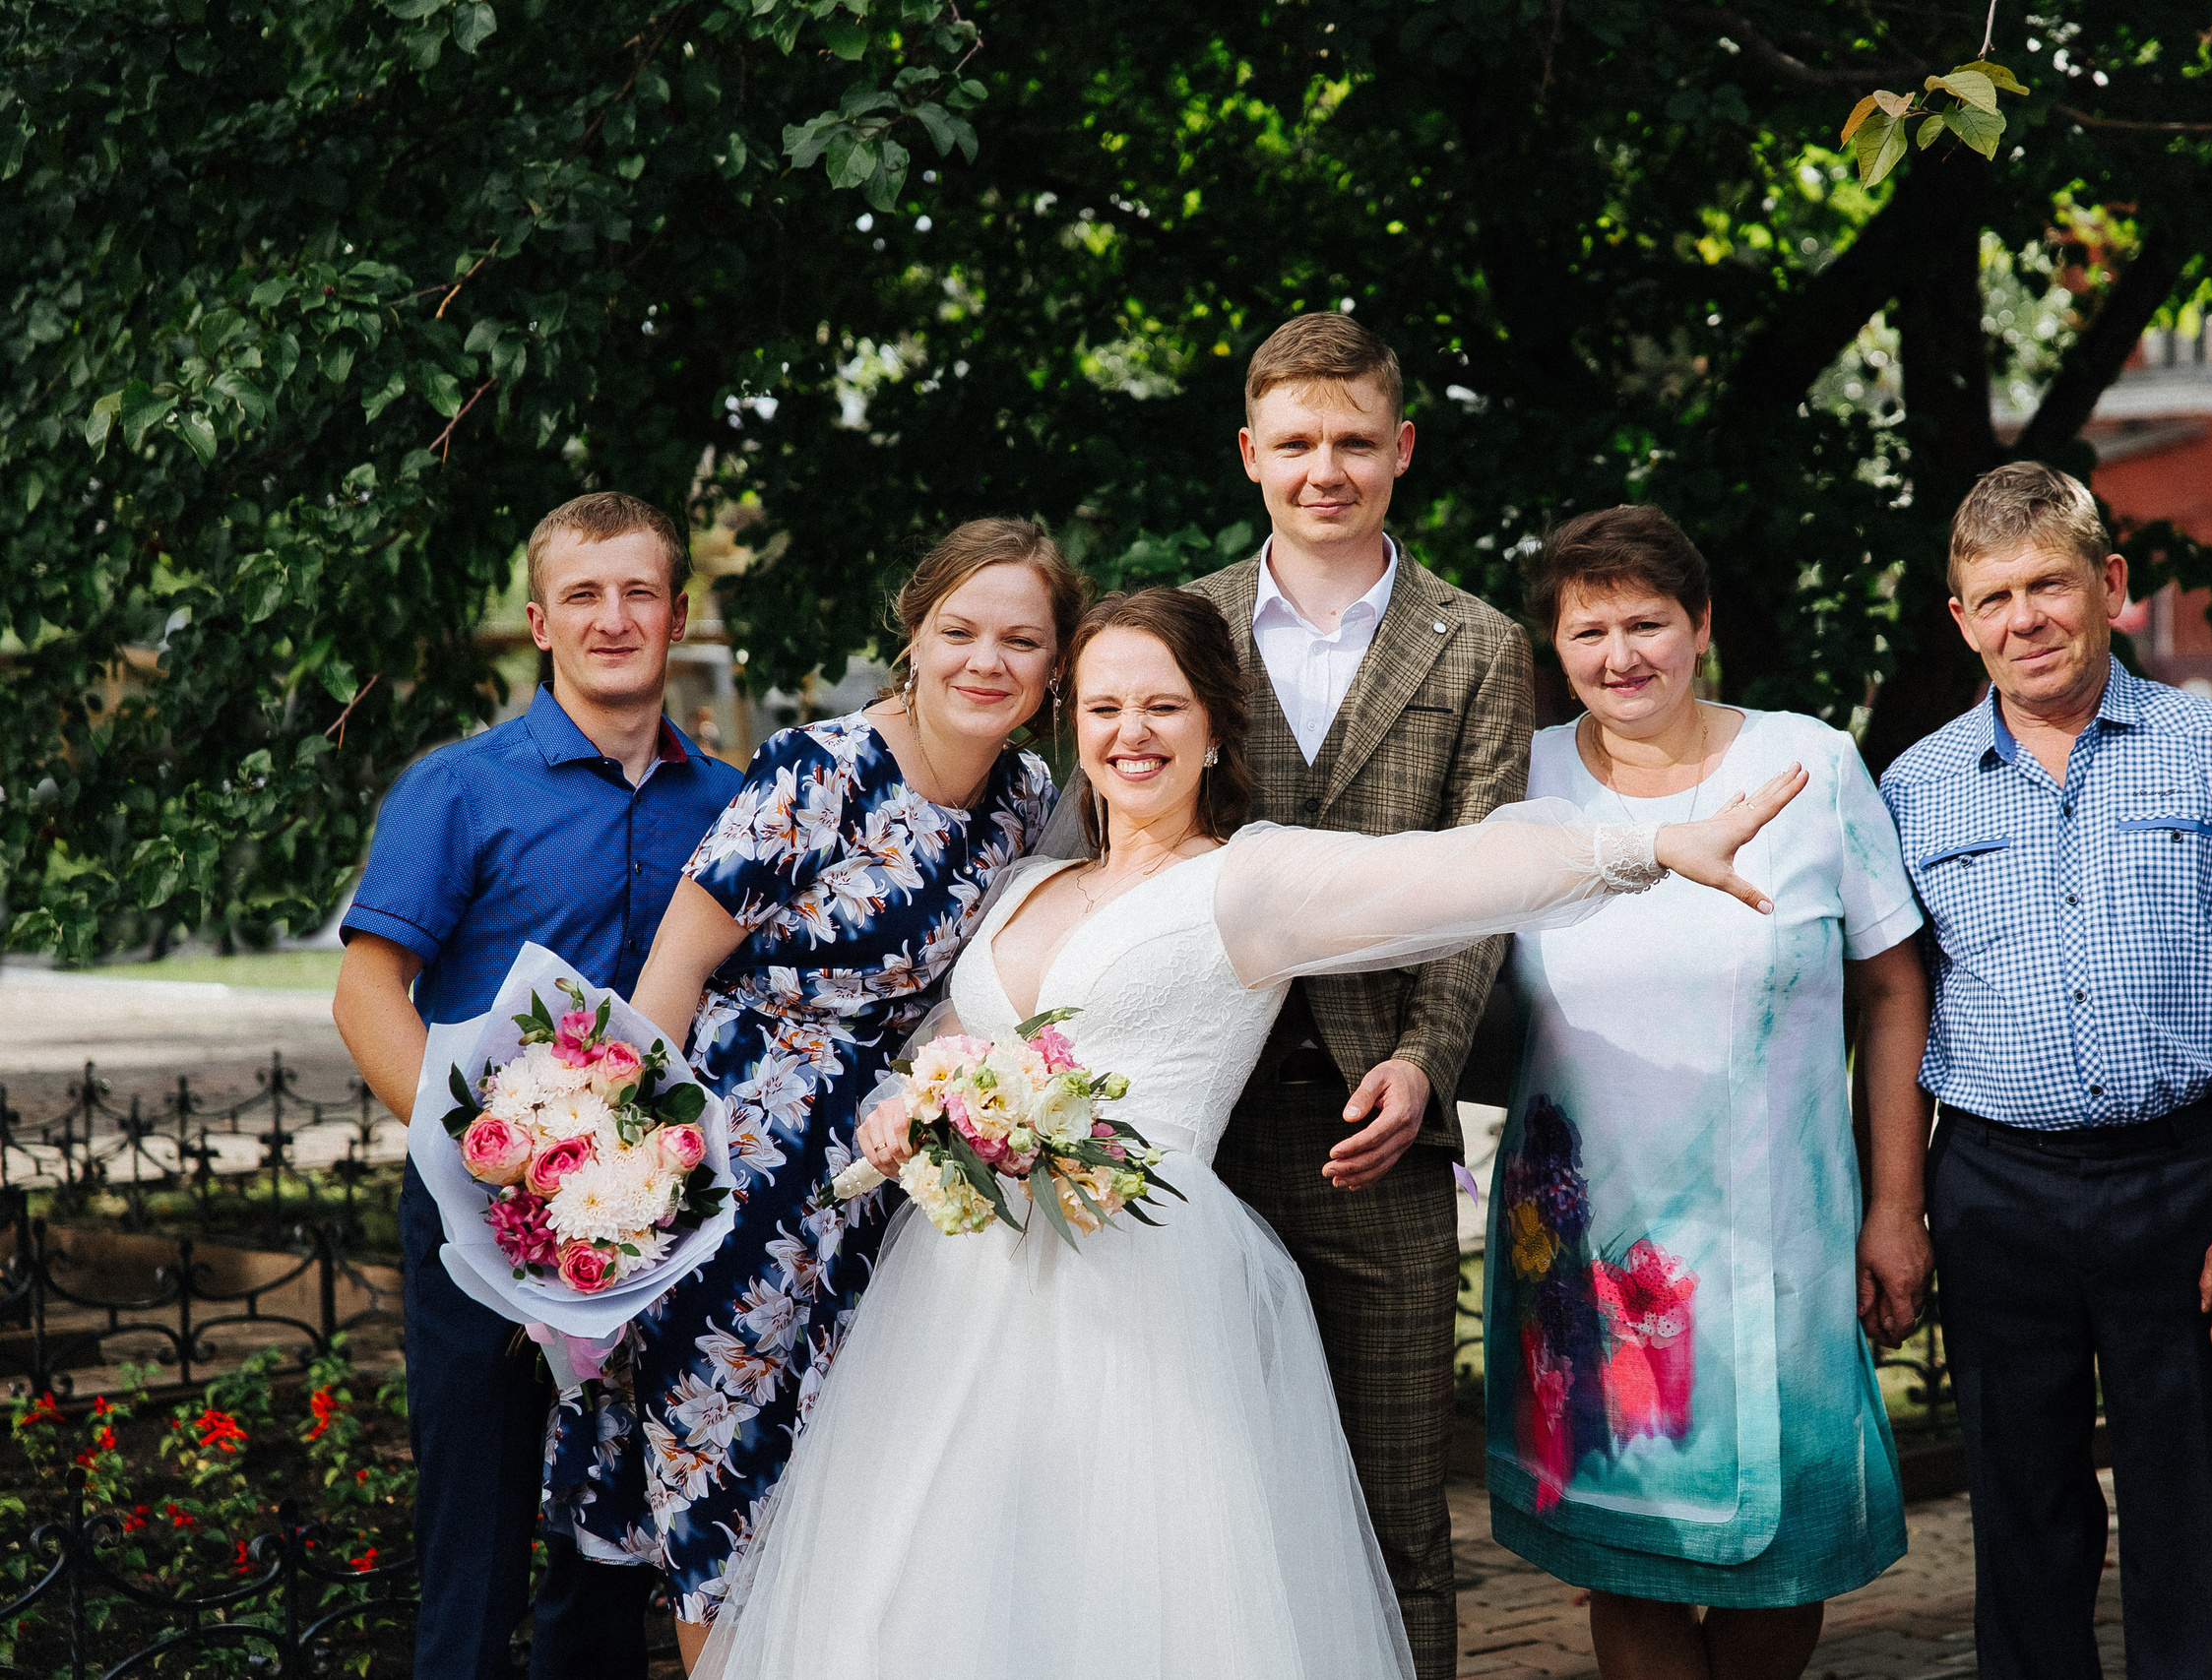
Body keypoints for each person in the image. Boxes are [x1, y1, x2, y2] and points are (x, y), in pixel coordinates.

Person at [689, 587, 1810, 1680]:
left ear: (1216, 727)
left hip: (1138, 1286)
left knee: (1129, 1592)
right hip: (955, 1291)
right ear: (1071, 724)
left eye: (1163, 707)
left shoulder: (1248, 880)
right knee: (933, 1582)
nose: (1132, 734)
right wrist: (907, 1104)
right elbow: (947, 1037)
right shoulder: (1028, 877)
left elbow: (1448, 872)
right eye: (1103, 708)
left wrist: (1651, 849)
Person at [544, 519, 1079, 1669]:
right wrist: (634, 1182)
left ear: (1052, 667)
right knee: (719, 1484)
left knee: (853, 1489)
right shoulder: (819, 769)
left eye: (1020, 640)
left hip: (885, 1180)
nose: (986, 661)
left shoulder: (1028, 795)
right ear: (915, 636)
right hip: (737, 1161)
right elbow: (675, 972)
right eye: (961, 631)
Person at [1878, 463, 2212, 1680]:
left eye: (2049, 585)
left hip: (2181, 1184)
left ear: (2111, 586)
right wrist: (1894, 1210)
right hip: (1991, 1187)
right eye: (1992, 597)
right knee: (2021, 1524)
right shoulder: (1913, 789)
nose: (2024, 618)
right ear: (1960, 621)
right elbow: (1893, 1013)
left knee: (2192, 1521)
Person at [1484, 506, 1933, 1680]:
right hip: (1584, 1242)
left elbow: (1890, 989)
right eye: (1589, 630)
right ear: (1555, 645)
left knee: (1784, 1546)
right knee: (1623, 1553)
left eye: (1648, 622)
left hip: (1778, 1232)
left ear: (1702, 626)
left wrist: (1896, 1206)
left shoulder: (1807, 765)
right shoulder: (1521, 786)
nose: (1620, 655)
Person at [332, 491, 743, 1680]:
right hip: (484, 1227)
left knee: (610, 1549)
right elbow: (369, 994)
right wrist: (482, 1176)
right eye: (583, 596)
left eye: (637, 594)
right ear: (539, 622)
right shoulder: (456, 790)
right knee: (475, 1532)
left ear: (676, 615)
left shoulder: (728, 807)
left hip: (655, 1234)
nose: (612, 618)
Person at [1191, 313, 1533, 1679]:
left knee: (1399, 1510)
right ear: (1250, 454)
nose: (1322, 467)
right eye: (1294, 442)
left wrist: (1422, 1064)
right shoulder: (1182, 630)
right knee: (1215, 1500)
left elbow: (1482, 886)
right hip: (1199, 1124)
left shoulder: (1481, 643)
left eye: (1350, 440)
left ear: (1399, 447)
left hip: (1381, 1130)